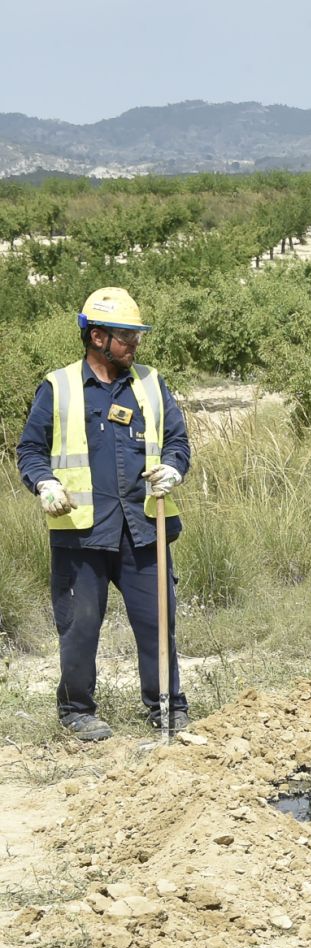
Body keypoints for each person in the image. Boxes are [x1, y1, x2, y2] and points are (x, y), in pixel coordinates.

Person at [16, 286, 190, 742]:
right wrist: (46, 482)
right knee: (79, 625)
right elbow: (30, 451)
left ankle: (166, 706)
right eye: (126, 336)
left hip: (143, 526)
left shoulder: (150, 383)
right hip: (81, 532)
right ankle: (76, 711)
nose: (135, 344)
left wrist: (173, 468)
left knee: (158, 621)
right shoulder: (58, 387)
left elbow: (178, 442)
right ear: (97, 337)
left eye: (136, 336)